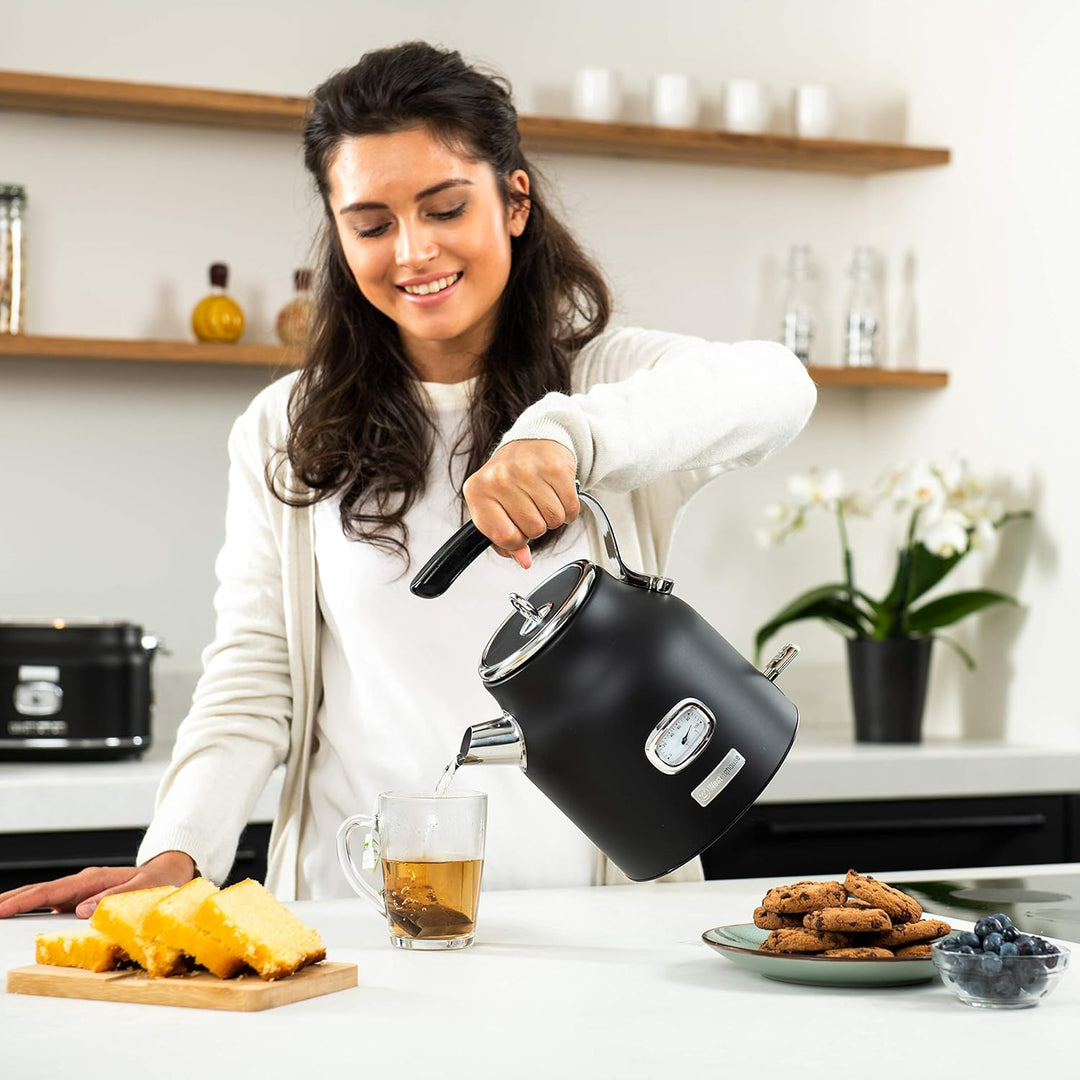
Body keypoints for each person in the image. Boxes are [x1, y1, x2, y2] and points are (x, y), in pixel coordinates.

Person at [0, 41, 815, 919]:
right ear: (341, 234)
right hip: (351, 917)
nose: (413, 251)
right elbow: (252, 676)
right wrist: (178, 851)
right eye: (372, 223)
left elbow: (777, 387)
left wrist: (564, 439)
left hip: (592, 921)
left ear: (513, 201)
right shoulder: (285, 426)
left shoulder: (603, 383)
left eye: (444, 207)